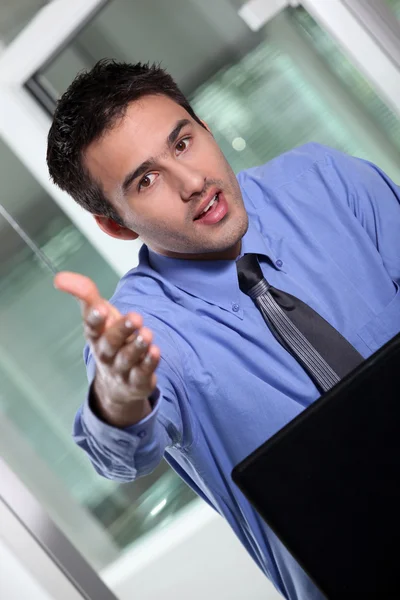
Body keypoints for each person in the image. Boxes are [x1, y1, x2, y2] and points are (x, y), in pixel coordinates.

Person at [46, 59, 400, 600]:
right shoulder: (148, 334)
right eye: (146, 179)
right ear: (116, 224)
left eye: (183, 143)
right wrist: (118, 399)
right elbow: (123, 454)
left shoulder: (327, 183)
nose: (193, 183)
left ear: (205, 128)